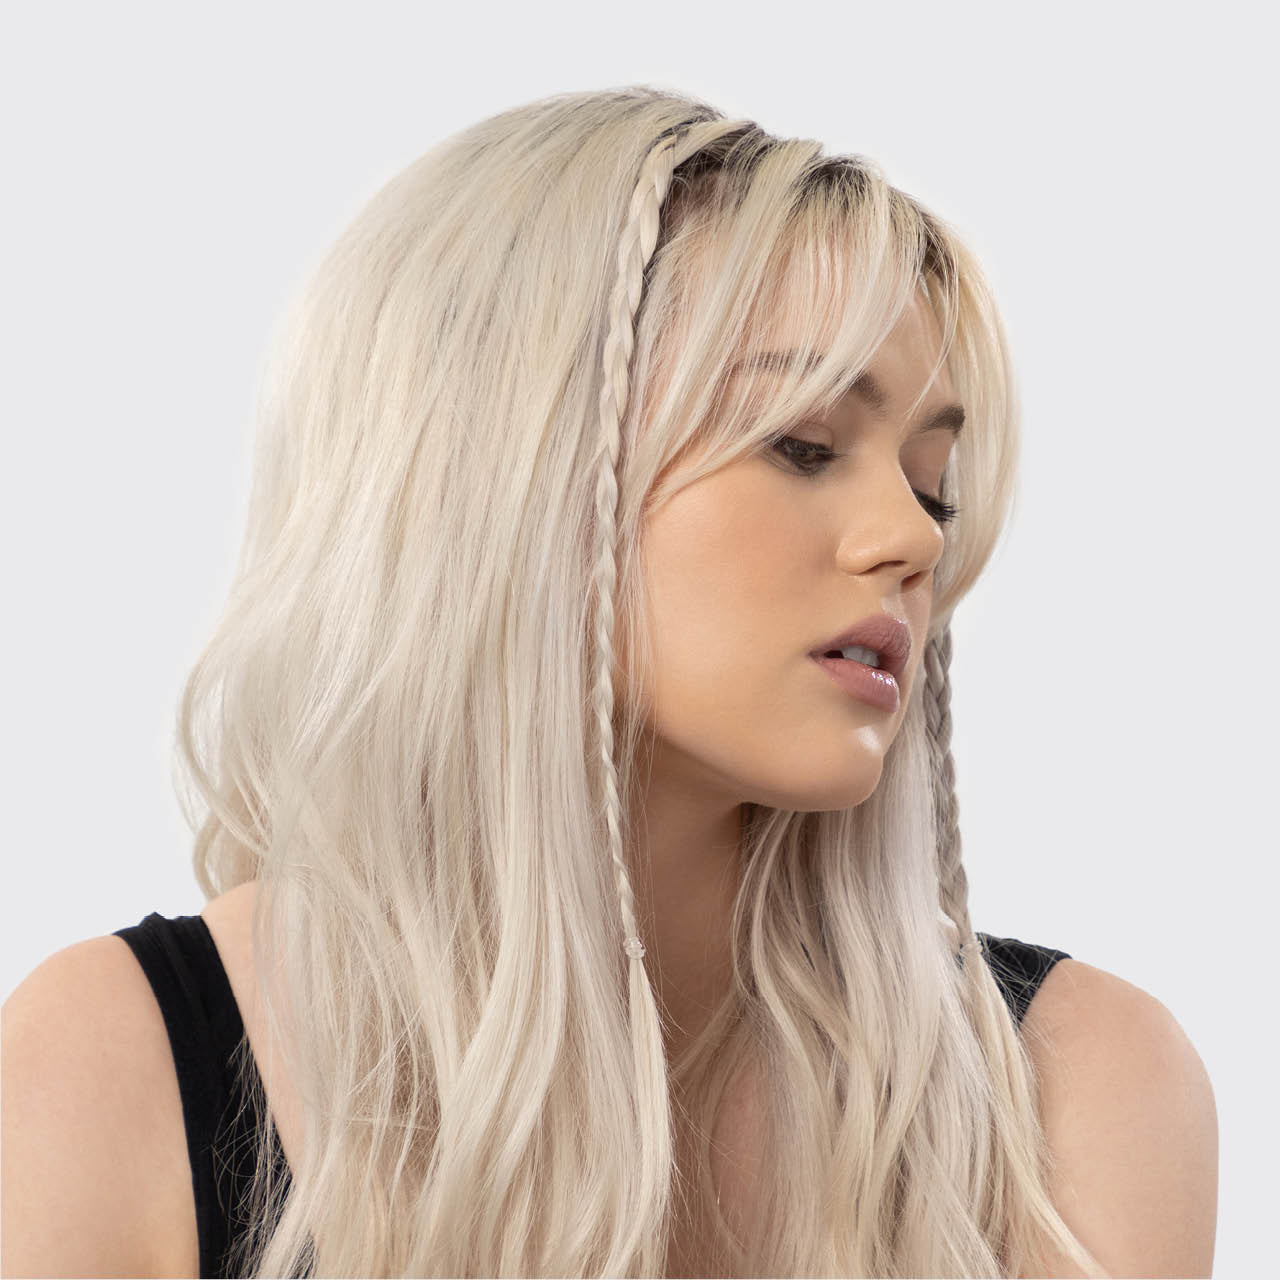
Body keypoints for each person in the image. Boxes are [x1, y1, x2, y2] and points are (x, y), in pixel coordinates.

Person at [1, 86, 1217, 1278]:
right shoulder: (108, 1072)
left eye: (930, 483)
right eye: (801, 444)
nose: (910, 535)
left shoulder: (1075, 1092)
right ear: (498, 470)